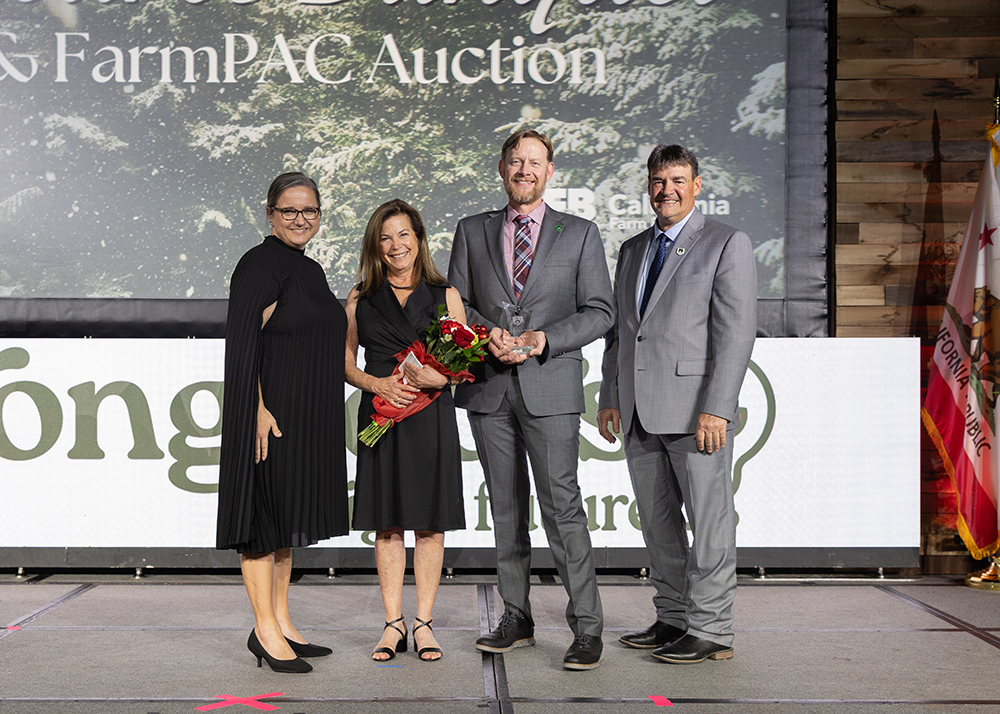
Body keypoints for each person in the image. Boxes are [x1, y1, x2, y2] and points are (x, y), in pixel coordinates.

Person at [448, 129, 614, 670]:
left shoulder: (582, 234)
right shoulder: (472, 231)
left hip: (551, 384)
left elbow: (600, 311)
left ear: (550, 171)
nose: (524, 170)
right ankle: (515, 616)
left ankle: (587, 628)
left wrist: (546, 339)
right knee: (505, 509)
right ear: (501, 169)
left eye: (534, 162)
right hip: (490, 388)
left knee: (562, 507)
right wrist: (482, 334)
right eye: (515, 161)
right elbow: (456, 304)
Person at [598, 144, 756, 664]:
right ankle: (673, 618)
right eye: (658, 180)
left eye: (678, 180)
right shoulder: (633, 249)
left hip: (697, 413)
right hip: (640, 410)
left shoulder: (725, 243)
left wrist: (718, 406)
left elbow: (734, 334)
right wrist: (610, 396)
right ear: (649, 185)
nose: (667, 190)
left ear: (697, 184)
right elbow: (622, 335)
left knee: (710, 523)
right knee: (658, 523)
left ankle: (712, 628)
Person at [217, 172, 349, 673]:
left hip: (305, 416)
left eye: (309, 210)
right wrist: (255, 408)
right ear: (269, 214)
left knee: (285, 525)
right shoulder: (258, 264)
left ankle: (284, 623)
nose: (301, 219)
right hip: (269, 416)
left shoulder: (308, 268)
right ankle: (264, 632)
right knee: (262, 525)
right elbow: (243, 344)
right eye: (290, 210)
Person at [346, 199, 466, 663]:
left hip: (429, 418)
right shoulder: (360, 297)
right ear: (375, 245)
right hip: (379, 417)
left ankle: (425, 625)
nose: (396, 246)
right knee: (387, 524)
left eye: (404, 235)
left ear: (418, 239)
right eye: (386, 237)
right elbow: (344, 360)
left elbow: (461, 363)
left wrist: (446, 377)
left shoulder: (445, 293)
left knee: (430, 525)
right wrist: (375, 383)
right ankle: (392, 624)